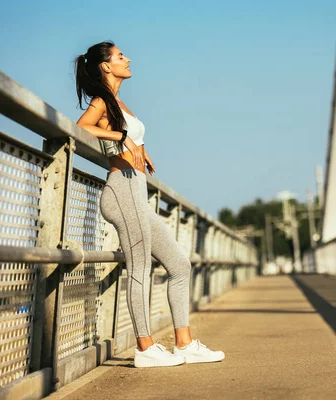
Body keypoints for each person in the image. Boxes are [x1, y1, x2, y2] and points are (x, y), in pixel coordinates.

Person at [74, 41, 224, 368]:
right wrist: (122, 138)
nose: (127, 59)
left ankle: (183, 344)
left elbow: (129, 136)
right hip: (122, 191)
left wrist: (139, 146)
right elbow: (81, 127)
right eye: (119, 56)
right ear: (106, 67)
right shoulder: (102, 101)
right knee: (140, 266)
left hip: (136, 190)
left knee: (179, 265)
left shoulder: (119, 102)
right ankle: (145, 348)